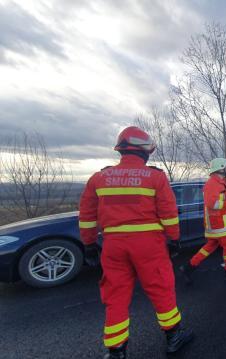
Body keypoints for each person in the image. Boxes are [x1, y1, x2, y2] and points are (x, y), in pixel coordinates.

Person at [78, 126, 193, 359]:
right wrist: (173, 239)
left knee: (116, 296)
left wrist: (89, 244)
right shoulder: (155, 177)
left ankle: (116, 351)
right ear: (144, 150)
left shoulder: (99, 178)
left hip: (113, 245)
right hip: (148, 244)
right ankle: (174, 337)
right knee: (161, 289)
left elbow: (87, 215)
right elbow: (169, 213)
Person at [180, 158, 226, 283]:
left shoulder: (218, 183)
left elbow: (218, 202)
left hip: (218, 225)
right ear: (220, 169)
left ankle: (188, 268)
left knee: (209, 247)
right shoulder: (213, 184)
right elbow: (212, 204)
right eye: (225, 167)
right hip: (220, 226)